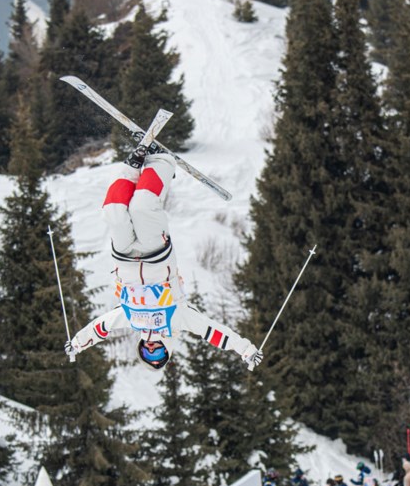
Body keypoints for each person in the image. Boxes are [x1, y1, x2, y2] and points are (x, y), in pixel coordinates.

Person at [64, 153, 262, 369]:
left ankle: (131, 169)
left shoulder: (130, 319)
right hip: (155, 254)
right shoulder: (178, 319)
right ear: (167, 347)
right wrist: (246, 351)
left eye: (147, 352)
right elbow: (215, 333)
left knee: (114, 214)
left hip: (124, 259)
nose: (151, 348)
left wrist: (77, 344)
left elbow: (99, 328)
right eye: (157, 351)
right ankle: (162, 161)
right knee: (142, 208)